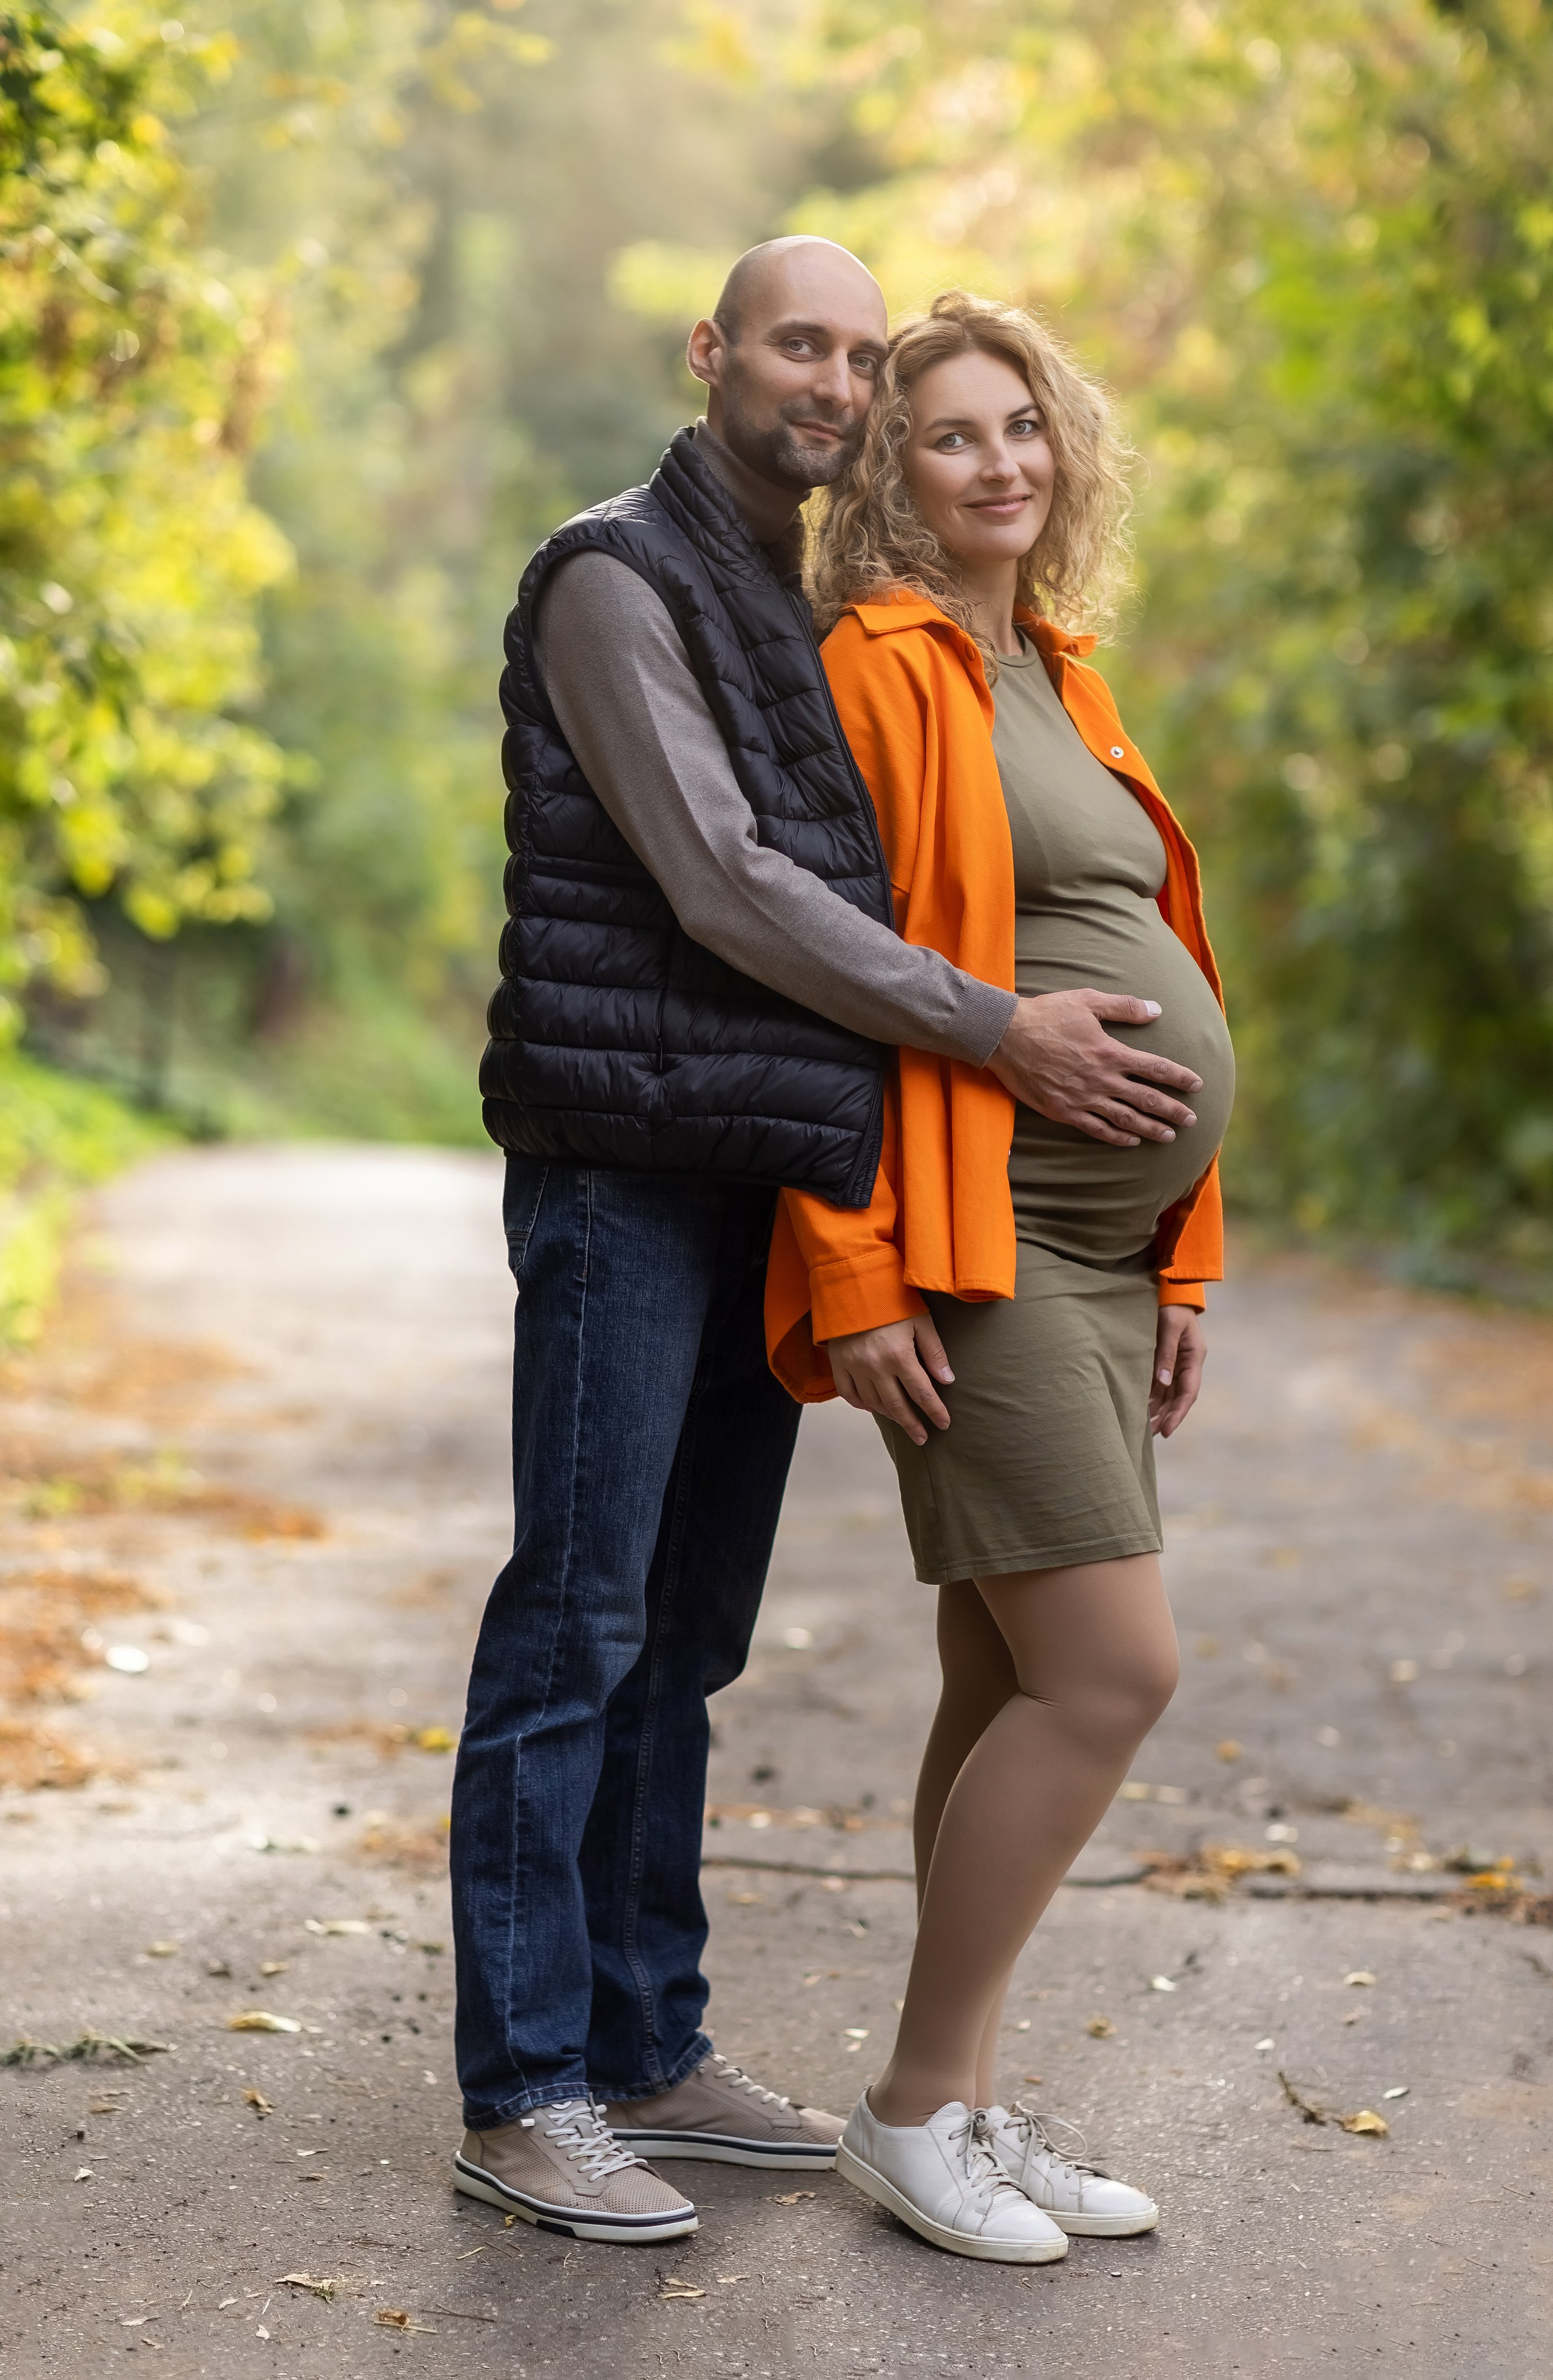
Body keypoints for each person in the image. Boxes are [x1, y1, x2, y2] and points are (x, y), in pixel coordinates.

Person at [450, 241, 1206, 2247]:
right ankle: (523, 2087)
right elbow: (720, 880)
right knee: (578, 1621)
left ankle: (645, 2033)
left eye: (867, 357)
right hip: (626, 1158)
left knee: (685, 1636)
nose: (841, 384)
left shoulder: (805, 604)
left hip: (753, 1154)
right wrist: (985, 1039)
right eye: (812, 346)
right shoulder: (620, 572)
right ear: (714, 354)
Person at [765, 290, 1233, 2262]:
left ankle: (957, 2097)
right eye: (950, 433)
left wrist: (1184, 1248)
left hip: (1108, 1249)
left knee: (1003, 1667)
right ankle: (905, 2108)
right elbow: (814, 982)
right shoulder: (880, 665)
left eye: (1023, 426)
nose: (999, 462)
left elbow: (1144, 929)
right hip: (986, 1238)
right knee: (1115, 1671)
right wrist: (854, 1272)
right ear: (894, 467)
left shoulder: (1051, 661)